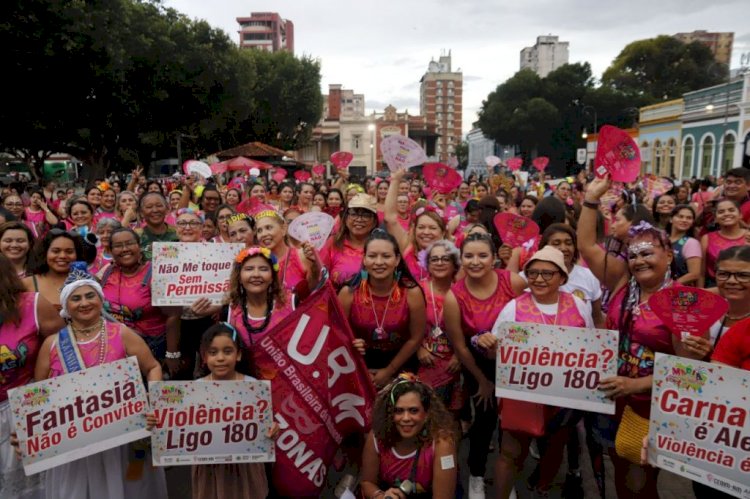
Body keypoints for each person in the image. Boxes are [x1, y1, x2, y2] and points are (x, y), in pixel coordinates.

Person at [33, 264, 166, 499]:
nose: (84, 303)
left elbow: (152, 366)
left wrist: (151, 397)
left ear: (99, 298)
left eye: (89, 295)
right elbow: (38, 392)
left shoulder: (121, 333)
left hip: (119, 436)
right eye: (75, 298)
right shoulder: (52, 343)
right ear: (66, 306)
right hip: (74, 442)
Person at [490, 246, 594, 498]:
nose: (538, 279)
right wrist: (488, 346)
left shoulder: (578, 305)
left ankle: (543, 488)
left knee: (555, 447)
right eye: (533, 272)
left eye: (547, 273)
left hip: (564, 395)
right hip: (522, 396)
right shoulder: (513, 308)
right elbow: (496, 351)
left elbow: (590, 345)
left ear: (562, 277)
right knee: (511, 453)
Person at [442, 232, 526, 499]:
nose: (475, 262)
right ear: (461, 259)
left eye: (482, 255)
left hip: (515, 366)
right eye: (468, 256)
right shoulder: (454, 297)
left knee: (512, 425)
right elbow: (460, 346)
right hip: (478, 368)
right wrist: (481, 381)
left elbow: (532, 319)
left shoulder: (513, 282)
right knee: (485, 421)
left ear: (493, 259)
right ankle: (476, 475)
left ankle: (506, 477)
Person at [186, 323, 278, 499]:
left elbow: (267, 426)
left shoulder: (253, 387)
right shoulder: (194, 389)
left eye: (227, 351)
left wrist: (273, 429)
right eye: (213, 352)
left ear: (239, 354)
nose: (220, 358)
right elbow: (177, 427)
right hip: (210, 469)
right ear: (204, 357)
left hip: (245, 468)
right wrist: (157, 422)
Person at [0, 254, 63, 499]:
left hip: (22, 407)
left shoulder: (32, 304)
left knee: (27, 485)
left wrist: (45, 395)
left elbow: (63, 346)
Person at [339, 229, 426, 389]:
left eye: (386, 256)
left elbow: (416, 337)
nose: (379, 262)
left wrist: (389, 371)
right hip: (358, 364)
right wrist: (350, 343)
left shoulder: (412, 293)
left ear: (397, 259)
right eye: (372, 256)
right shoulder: (349, 292)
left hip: (401, 363)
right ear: (364, 259)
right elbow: (337, 333)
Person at [360, 376, 458, 499]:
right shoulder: (377, 436)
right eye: (399, 411)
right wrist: (380, 496)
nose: (406, 418)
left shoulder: (442, 444)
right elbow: (367, 483)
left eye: (413, 411)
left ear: (427, 414)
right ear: (390, 414)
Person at [99, 228, 181, 375]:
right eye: (118, 246)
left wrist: (172, 354)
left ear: (139, 246)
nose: (124, 249)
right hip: (117, 351)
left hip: (153, 350)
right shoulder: (108, 272)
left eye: (129, 243)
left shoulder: (155, 273)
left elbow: (173, 315)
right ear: (110, 251)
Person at [415, 240, 461, 411]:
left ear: (455, 264)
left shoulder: (461, 291)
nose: (440, 263)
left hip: (454, 364)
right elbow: (405, 324)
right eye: (434, 259)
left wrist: (459, 355)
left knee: (449, 416)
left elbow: (470, 328)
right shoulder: (417, 289)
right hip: (423, 362)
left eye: (445, 259)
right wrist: (419, 348)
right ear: (427, 264)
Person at [533, 223, 604, 327]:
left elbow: (597, 319)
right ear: (544, 247)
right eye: (556, 243)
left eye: (568, 243)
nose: (563, 248)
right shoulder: (531, 278)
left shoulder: (589, 276)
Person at [385, 169, 448, 282]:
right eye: (421, 227)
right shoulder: (407, 245)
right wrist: (395, 180)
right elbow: (390, 218)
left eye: (432, 228)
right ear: (414, 229)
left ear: (442, 232)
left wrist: (442, 210)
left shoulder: (450, 252)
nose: (426, 232)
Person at [254, 209, 320, 295]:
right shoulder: (256, 261)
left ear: (283, 229)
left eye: (268, 228)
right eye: (259, 230)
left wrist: (314, 265)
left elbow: (313, 290)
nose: (263, 234)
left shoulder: (302, 256)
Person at [322, 194, 378, 289]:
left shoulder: (381, 246)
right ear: (346, 218)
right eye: (354, 214)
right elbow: (320, 277)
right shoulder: (333, 242)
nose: (359, 219)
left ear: (374, 221)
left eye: (366, 215)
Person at [23, 229, 86, 311]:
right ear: (45, 253)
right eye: (56, 251)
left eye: (69, 251)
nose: (63, 256)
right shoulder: (26, 284)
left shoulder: (87, 281)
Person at [700, 199, 748, 287]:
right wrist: (701, 294)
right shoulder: (707, 238)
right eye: (721, 211)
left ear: (740, 215)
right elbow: (701, 273)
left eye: (731, 210)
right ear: (715, 219)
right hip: (714, 287)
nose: (726, 214)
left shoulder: (748, 236)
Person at [135, 192, 178, 261]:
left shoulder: (178, 233)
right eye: (149, 207)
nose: (155, 210)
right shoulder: (135, 237)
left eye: (159, 206)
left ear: (167, 209)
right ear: (141, 213)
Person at [665, 204, 702, 285]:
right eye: (680, 216)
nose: (684, 220)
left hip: (681, 292)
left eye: (689, 218)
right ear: (671, 219)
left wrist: (670, 285)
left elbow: (694, 274)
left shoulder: (691, 243)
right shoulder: (663, 239)